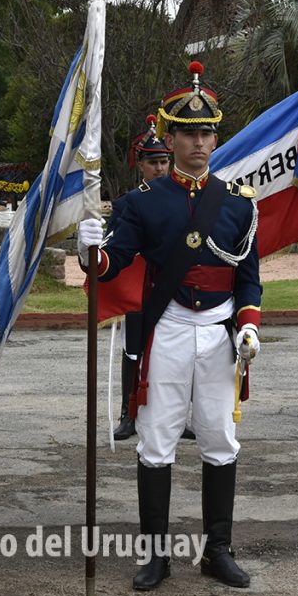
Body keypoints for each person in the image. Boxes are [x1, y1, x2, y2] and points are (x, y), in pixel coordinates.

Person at [78, 62, 261, 591]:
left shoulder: (237, 203)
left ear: (215, 138)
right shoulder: (142, 203)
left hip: (221, 333)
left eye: (206, 133)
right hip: (169, 328)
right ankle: (156, 555)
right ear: (171, 137)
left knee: (220, 438)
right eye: (188, 133)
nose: (198, 143)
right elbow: (114, 263)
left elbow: (247, 278)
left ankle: (217, 551)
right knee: (157, 440)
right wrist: (91, 251)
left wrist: (249, 326)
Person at [112, 115, 172, 441]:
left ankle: (174, 413)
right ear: (141, 165)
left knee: (173, 353)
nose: (159, 168)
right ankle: (128, 412)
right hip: (139, 289)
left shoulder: (181, 200)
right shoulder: (126, 205)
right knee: (133, 349)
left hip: (171, 288)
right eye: (153, 162)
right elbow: (115, 246)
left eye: (164, 161)